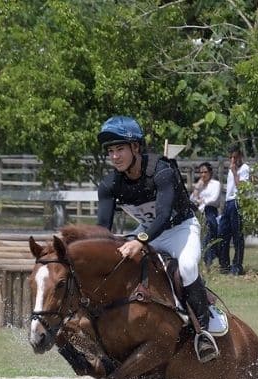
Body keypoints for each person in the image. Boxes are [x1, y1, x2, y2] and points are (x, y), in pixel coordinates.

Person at [95, 116, 219, 362]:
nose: (115, 156)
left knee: (186, 267)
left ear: (136, 148)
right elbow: (102, 230)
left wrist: (139, 241)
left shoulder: (162, 171)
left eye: (120, 148)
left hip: (180, 229)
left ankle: (203, 332)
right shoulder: (110, 185)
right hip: (147, 232)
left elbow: (163, 216)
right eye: (111, 151)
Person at [218, 146, 249, 275]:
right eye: (230, 158)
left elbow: (241, 187)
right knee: (222, 234)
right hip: (228, 202)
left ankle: (237, 266)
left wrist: (235, 172)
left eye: (235, 157)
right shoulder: (232, 169)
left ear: (240, 156)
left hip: (237, 202)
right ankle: (224, 265)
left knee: (237, 235)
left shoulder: (244, 168)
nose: (233, 160)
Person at [191, 161, 221, 269]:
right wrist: (197, 189)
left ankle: (208, 261)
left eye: (205, 172)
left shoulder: (215, 184)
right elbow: (192, 199)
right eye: (201, 172)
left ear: (210, 172)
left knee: (208, 236)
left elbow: (214, 198)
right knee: (203, 237)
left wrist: (201, 201)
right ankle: (207, 259)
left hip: (210, 211)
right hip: (200, 213)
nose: (203, 175)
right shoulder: (200, 185)